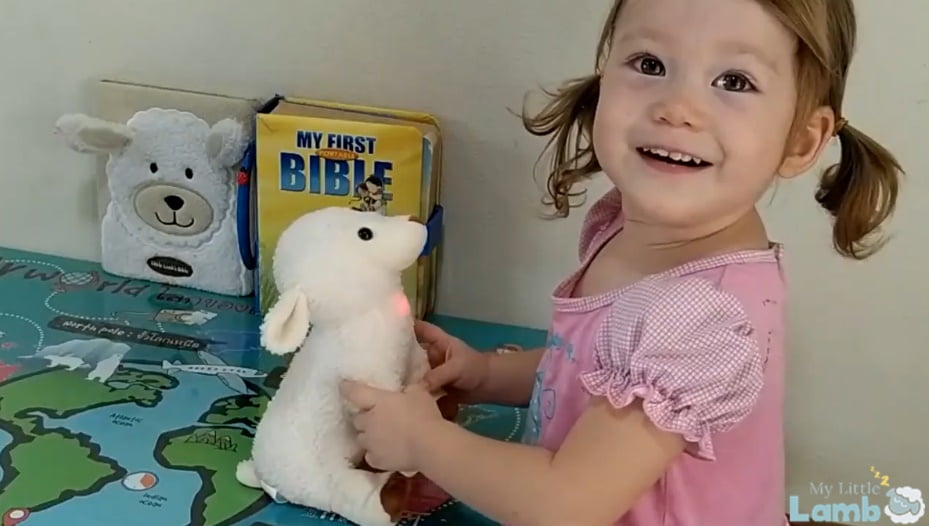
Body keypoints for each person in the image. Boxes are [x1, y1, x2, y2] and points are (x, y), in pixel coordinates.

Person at [340, 0, 903, 524]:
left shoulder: (702, 317)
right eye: (650, 63)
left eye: (734, 81)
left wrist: (421, 441)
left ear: (802, 141)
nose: (678, 109)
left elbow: (566, 504)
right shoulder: (626, 226)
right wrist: (487, 374)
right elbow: (586, 363)